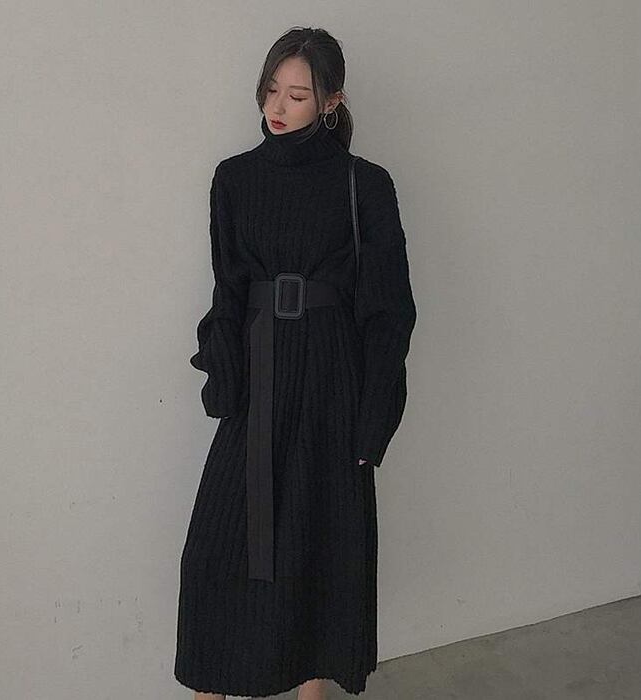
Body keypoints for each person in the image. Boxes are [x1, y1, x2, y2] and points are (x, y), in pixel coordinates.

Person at [174, 26, 417, 700]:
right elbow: (227, 288)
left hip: (332, 379)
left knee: (317, 545)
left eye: (299, 95)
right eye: (271, 89)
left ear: (331, 102)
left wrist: (373, 417)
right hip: (258, 373)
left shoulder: (365, 184)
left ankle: (311, 694)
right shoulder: (234, 178)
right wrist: (224, 372)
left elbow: (389, 311)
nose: (277, 107)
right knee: (215, 554)